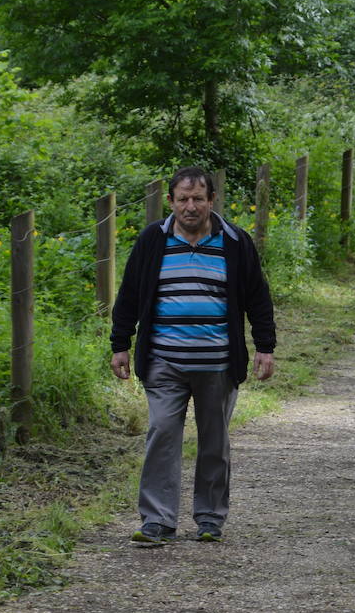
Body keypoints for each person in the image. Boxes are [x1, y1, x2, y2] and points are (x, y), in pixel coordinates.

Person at [110, 166, 276, 546]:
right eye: (182, 199)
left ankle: (209, 519)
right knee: (162, 435)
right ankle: (157, 521)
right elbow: (130, 296)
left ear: (211, 201)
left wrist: (265, 347)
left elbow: (257, 297)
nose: (190, 206)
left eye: (198, 199)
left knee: (214, 442)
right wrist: (120, 344)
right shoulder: (153, 240)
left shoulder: (235, 241)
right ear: (170, 201)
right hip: (163, 361)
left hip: (218, 363)